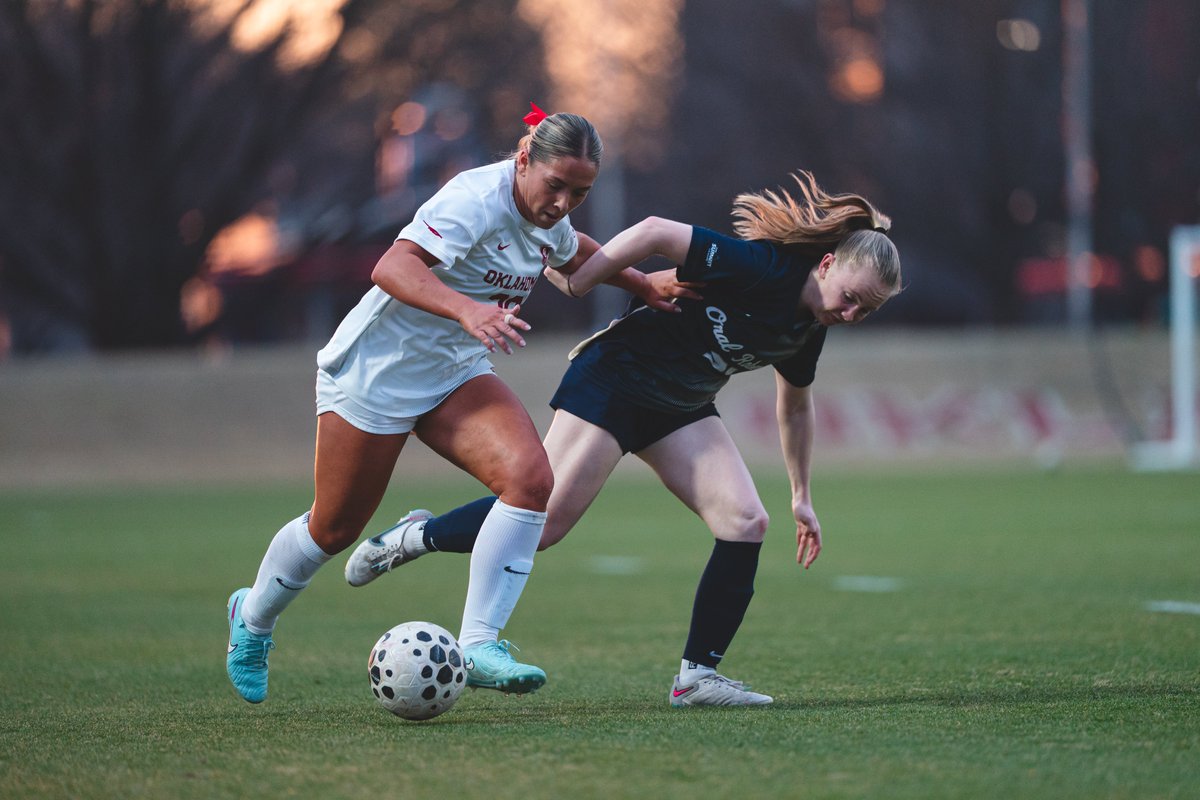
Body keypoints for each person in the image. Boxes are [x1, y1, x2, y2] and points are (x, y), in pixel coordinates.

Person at [345, 170, 903, 707]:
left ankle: (697, 678)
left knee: (746, 522)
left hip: (680, 407)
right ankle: (414, 536)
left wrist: (800, 495)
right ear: (827, 264)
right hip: (616, 382)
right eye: (852, 297)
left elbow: (797, 404)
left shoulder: (809, 324)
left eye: (867, 311)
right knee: (545, 525)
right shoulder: (763, 268)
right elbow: (658, 230)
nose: (852, 314)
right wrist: (583, 278)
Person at [225, 103, 681, 704]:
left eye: (580, 191)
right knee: (334, 528)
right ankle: (252, 619)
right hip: (377, 375)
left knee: (530, 480)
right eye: (556, 185)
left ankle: (480, 643)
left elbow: (574, 254)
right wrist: (468, 310)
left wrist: (643, 284)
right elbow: (393, 266)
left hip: (453, 374)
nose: (565, 202)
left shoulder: (548, 214)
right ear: (524, 159)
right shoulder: (476, 198)